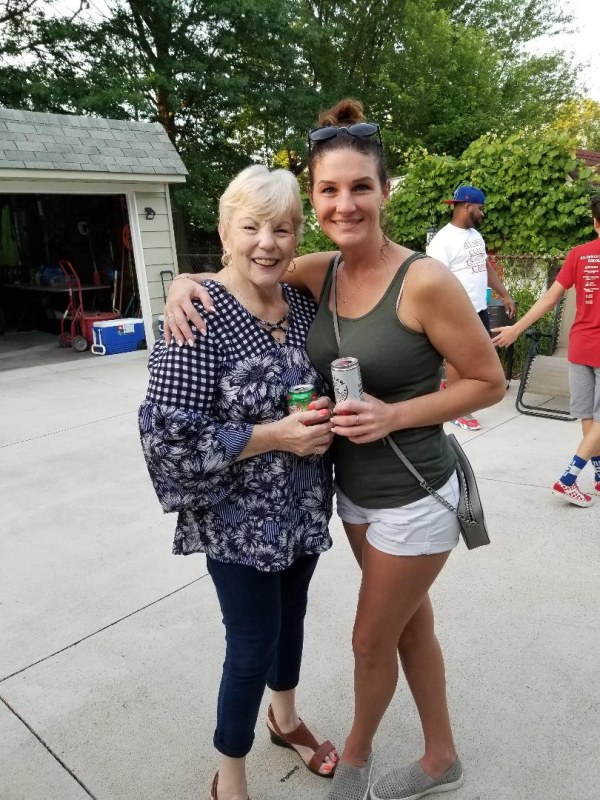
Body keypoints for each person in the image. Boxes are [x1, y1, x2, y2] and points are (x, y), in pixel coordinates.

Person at [163, 99, 506, 800]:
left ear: (385, 192)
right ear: (315, 199)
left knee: (369, 642)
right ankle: (442, 755)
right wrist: (181, 283)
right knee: (411, 627)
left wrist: (394, 414)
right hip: (350, 495)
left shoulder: (425, 280)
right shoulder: (318, 273)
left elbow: (489, 382)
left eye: (360, 186)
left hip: (414, 493)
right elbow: (246, 261)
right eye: (329, 189)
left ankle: (353, 760)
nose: (345, 203)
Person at [139, 164, 340, 800]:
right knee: (252, 642)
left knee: (292, 617)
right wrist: (276, 435)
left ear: (297, 234)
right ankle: (229, 774)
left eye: (282, 229)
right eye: (251, 227)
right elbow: (167, 440)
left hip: (302, 506)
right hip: (238, 523)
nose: (267, 243)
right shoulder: (197, 316)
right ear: (225, 232)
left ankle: (285, 719)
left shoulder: (302, 304)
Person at [493, 193, 600, 508]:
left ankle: (598, 475)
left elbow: (549, 298)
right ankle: (568, 480)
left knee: (588, 415)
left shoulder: (579, 255)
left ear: (595, 222)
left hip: (580, 346)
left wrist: (516, 328)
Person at [426, 185, 516, 431]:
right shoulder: (443, 241)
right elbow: (434, 281)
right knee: (457, 359)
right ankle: (457, 410)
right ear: (467, 206)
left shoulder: (475, 236)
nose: (483, 214)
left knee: (475, 357)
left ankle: (452, 392)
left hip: (479, 308)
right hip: (455, 312)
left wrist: (504, 294)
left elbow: (484, 267)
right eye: (480, 208)